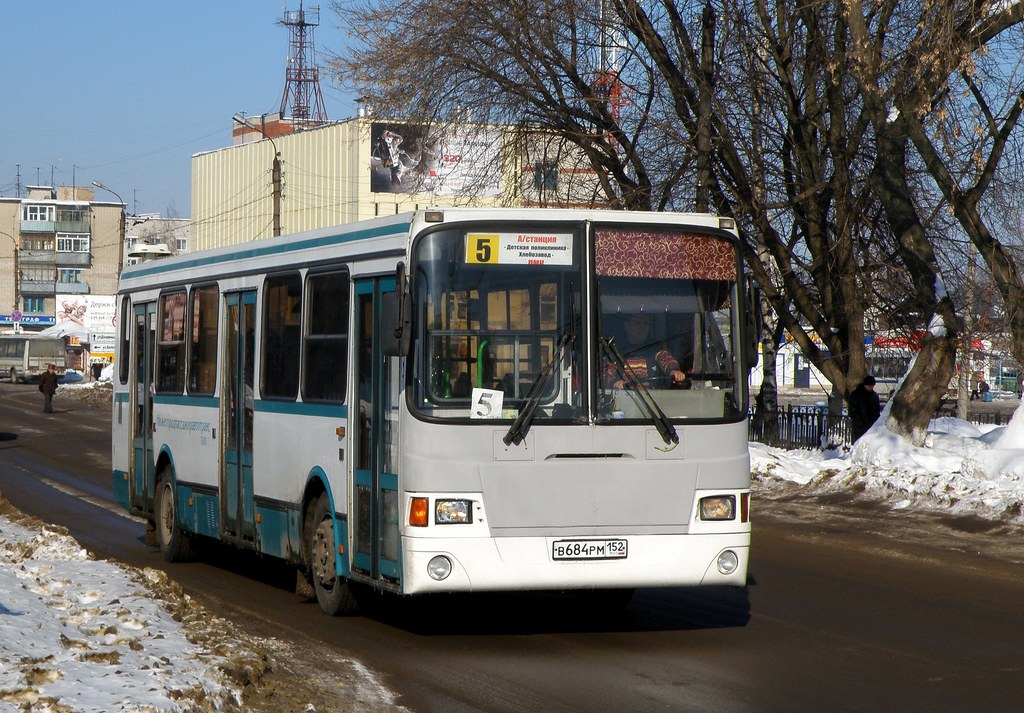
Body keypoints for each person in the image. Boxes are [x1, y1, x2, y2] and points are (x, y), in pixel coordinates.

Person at [604, 313, 687, 389]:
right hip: (625, 401)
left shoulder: (654, 349)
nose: (641, 327)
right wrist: (615, 383)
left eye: (645, 323)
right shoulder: (617, 352)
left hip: (651, 401)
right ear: (627, 325)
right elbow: (607, 376)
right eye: (637, 323)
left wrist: (674, 371)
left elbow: (666, 359)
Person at [848, 375, 881, 442]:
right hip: (859, 428)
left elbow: (877, 411)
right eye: (869, 386)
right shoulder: (856, 395)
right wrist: (860, 423)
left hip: (872, 427)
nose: (871, 388)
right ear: (865, 385)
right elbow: (853, 411)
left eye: (872, 386)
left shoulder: (874, 396)